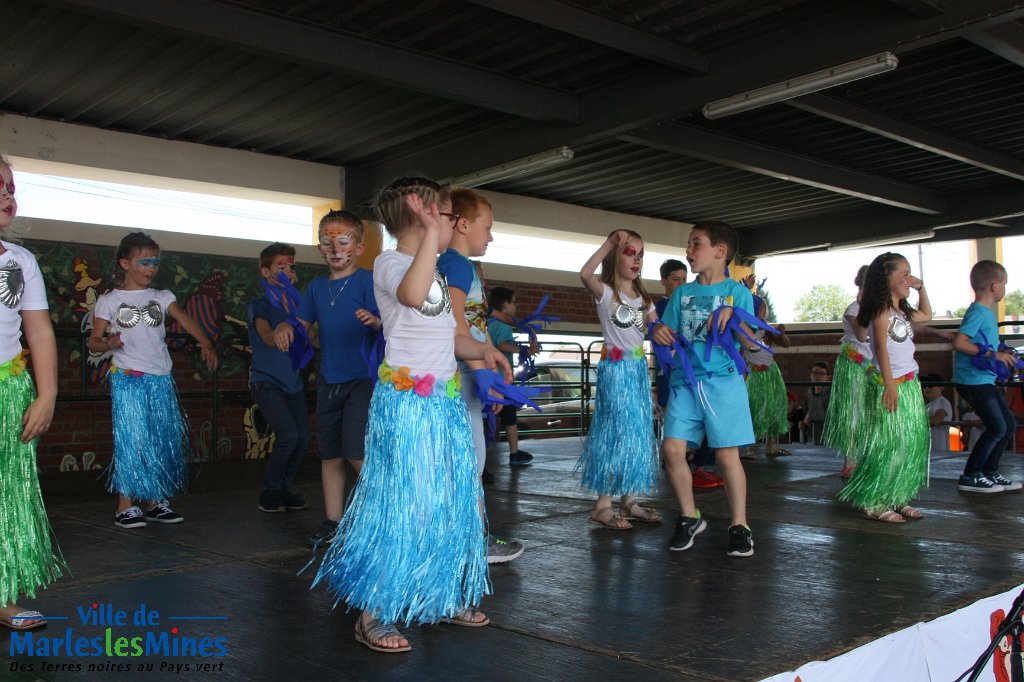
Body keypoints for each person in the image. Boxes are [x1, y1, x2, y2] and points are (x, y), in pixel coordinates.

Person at [312, 177, 510, 654]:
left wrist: (486, 349)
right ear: (423, 219)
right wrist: (426, 237)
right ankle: (373, 611)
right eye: (444, 216)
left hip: (441, 406)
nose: (451, 225)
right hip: (407, 406)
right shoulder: (389, 263)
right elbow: (409, 294)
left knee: (447, 500)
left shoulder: (435, 274)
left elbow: (449, 338)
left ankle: (440, 594)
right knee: (400, 504)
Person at [88, 232, 218, 528]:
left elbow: (184, 318)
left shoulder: (161, 297)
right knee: (132, 439)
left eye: (155, 262)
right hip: (129, 380)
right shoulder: (110, 301)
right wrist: (109, 344)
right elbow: (93, 342)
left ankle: (154, 499)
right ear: (125, 263)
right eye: (144, 262)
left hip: (159, 380)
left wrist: (205, 342)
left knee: (159, 439)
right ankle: (125, 505)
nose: (151, 268)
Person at [652, 220, 756, 556]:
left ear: (719, 252)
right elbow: (665, 335)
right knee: (672, 450)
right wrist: (659, 333)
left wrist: (734, 314)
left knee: (727, 455)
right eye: (688, 244)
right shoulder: (681, 293)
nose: (688, 251)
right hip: (685, 381)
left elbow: (751, 343)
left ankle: (739, 524)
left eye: (695, 244)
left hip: (724, 381)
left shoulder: (739, 293)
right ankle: (688, 515)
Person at [281, 210, 380, 545]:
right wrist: (286, 328)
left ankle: (386, 511)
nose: (335, 248)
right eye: (327, 242)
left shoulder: (368, 281)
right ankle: (332, 521)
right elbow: (302, 326)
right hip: (329, 380)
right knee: (330, 453)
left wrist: (376, 322)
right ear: (320, 247)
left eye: (343, 241)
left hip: (362, 379)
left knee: (356, 450)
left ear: (360, 246)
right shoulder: (317, 287)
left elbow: (390, 326)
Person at [437, 188, 524, 563]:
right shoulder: (456, 265)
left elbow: (475, 324)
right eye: (486, 227)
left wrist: (488, 361)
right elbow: (453, 325)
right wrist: (480, 369)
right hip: (458, 374)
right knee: (469, 458)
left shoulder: (464, 267)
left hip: (469, 370)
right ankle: (471, 541)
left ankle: (470, 535)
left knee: (472, 457)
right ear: (462, 223)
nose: (490, 236)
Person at [0, 157, 62, 631]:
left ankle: (3, 594)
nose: (7, 195)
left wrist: (47, 395)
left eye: (10, 186)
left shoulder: (18, 263)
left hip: (9, 392)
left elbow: (38, 332)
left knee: (9, 497)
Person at [837, 252, 932, 522]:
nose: (908, 279)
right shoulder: (880, 310)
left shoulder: (903, 310)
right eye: (904, 274)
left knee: (907, 443)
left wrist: (921, 287)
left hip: (909, 384)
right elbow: (879, 348)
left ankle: (897, 495)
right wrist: (889, 386)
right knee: (887, 444)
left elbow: (927, 314)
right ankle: (872, 499)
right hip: (890, 385)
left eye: (910, 274)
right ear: (886, 279)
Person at [577, 230, 661, 530]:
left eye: (641, 254)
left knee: (636, 434)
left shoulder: (644, 299)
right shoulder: (607, 293)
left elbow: (658, 334)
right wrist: (610, 243)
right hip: (615, 373)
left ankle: (628, 500)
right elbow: (584, 273)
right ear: (615, 257)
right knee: (615, 433)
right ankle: (602, 505)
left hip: (637, 372)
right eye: (630, 252)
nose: (637, 259)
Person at [247, 243, 311, 513]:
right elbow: (265, 336)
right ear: (266, 271)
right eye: (281, 267)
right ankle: (269, 492)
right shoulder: (260, 304)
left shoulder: (300, 305)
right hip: (266, 381)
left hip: (292, 382)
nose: (288, 271)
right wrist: (281, 332)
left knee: (303, 438)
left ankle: (284, 488)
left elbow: (314, 337)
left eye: (291, 267)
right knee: (288, 435)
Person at [951, 260, 1021, 493]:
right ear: (994, 285)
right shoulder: (978, 312)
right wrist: (993, 354)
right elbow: (960, 343)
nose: (1005, 289)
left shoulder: (985, 313)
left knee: (1008, 425)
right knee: (997, 427)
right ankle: (971, 475)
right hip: (972, 380)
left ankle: (989, 472)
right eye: (1004, 284)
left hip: (983, 379)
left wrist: (1001, 351)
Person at [656, 260, 723, 488]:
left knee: (707, 417)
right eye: (675, 279)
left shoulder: (692, 299)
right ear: (663, 281)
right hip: (673, 370)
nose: (681, 283)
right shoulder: (661, 307)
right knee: (674, 423)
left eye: (684, 279)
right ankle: (680, 461)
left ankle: (700, 465)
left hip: (698, 370)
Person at [823, 266, 871, 479]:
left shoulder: (882, 310)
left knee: (869, 413)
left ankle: (866, 457)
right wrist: (866, 306)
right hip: (853, 366)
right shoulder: (854, 309)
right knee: (854, 412)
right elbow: (861, 335)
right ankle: (850, 461)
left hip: (872, 367)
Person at [487, 285, 539, 469]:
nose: (516, 307)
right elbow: (502, 345)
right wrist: (525, 349)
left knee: (488, 417)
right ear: (505, 305)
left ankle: (483, 459)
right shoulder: (501, 326)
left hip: (488, 379)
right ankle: (514, 452)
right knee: (509, 417)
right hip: (502, 379)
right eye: (514, 303)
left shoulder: (488, 324)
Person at [742, 297, 791, 457]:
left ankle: (772, 445)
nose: (763, 310)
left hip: (771, 373)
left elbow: (786, 343)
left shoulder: (767, 328)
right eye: (761, 307)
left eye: (763, 307)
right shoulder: (745, 327)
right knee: (754, 408)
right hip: (755, 374)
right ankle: (747, 447)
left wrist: (781, 334)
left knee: (775, 406)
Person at [801, 361, 832, 445]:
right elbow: (807, 412)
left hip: (829, 436)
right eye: (814, 373)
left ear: (828, 377)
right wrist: (804, 421)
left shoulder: (833, 393)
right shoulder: (808, 393)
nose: (817, 376)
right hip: (812, 436)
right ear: (810, 375)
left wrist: (812, 416)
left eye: (822, 374)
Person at [921, 373, 952, 454]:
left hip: (939, 448)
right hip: (929, 448)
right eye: (925, 386)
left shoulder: (942, 402)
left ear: (941, 388)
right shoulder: (927, 406)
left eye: (930, 386)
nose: (927, 388)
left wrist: (916, 420)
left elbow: (936, 420)